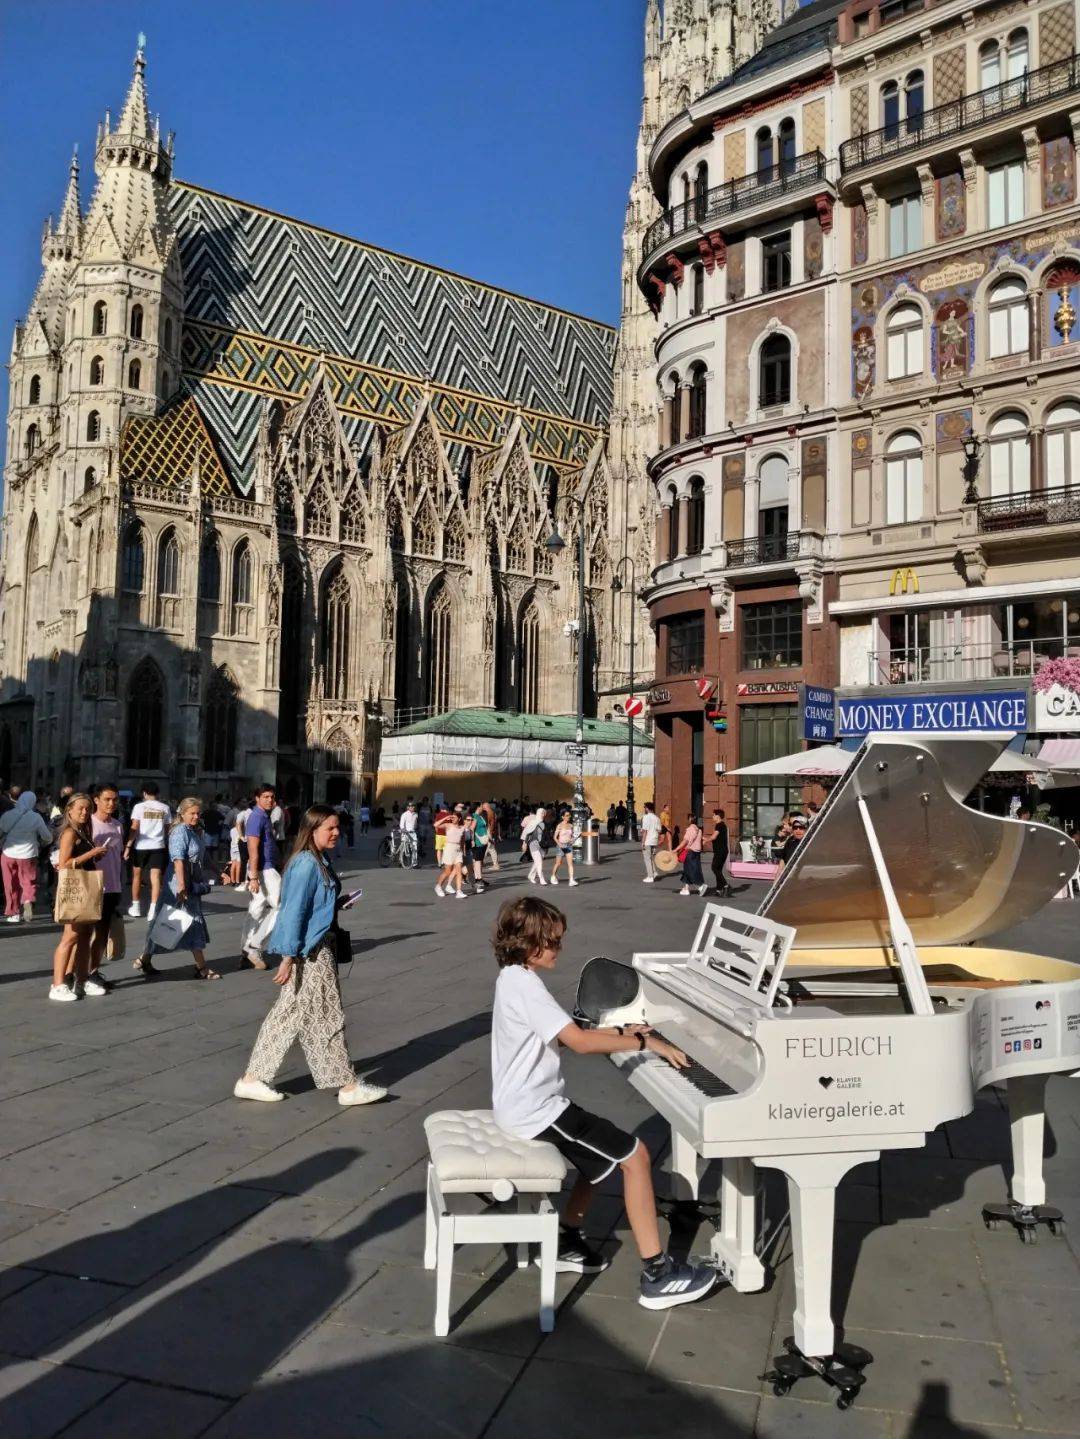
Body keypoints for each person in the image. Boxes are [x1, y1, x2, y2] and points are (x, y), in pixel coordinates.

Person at [490, 896, 716, 1304]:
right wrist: (645, 1040)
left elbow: (564, 1028)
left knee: (600, 1160)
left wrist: (624, 1030)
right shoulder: (525, 985)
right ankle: (657, 1274)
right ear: (528, 943)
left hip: (525, 1104)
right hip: (536, 1112)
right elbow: (576, 1042)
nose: (560, 948)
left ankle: (567, 1237)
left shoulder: (514, 977)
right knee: (635, 1156)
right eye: (553, 942)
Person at [234, 805, 388, 1106]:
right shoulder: (307, 863)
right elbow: (293, 912)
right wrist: (289, 957)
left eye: (337, 827)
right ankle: (348, 1085)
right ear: (312, 830)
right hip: (311, 951)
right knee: (327, 1016)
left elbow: (312, 905)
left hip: (316, 945)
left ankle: (252, 1079)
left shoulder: (319, 859)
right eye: (329, 828)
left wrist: (336, 903)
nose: (336, 833)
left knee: (288, 1015)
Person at [135, 798, 224, 980]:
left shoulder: (195, 832)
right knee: (189, 922)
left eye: (198, 813)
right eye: (192, 813)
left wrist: (219, 872)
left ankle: (145, 959)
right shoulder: (179, 832)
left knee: (167, 922)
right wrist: (182, 886)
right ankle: (202, 968)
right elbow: (178, 861)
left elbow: (204, 856)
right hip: (178, 886)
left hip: (188, 884)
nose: (195, 816)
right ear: (182, 814)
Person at [49, 793, 111, 1003]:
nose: (84, 812)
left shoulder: (83, 831)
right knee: (70, 937)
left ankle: (81, 980)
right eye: (80, 809)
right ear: (69, 810)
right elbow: (64, 864)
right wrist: (91, 854)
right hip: (75, 889)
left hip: (86, 888)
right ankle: (57, 985)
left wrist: (96, 854)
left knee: (85, 936)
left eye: (87, 809)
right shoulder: (69, 833)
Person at [87, 784, 125, 987]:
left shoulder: (118, 825)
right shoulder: (89, 824)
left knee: (102, 933)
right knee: (84, 934)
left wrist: (119, 886)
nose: (111, 803)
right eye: (107, 799)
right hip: (91, 885)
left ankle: (94, 971)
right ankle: (75, 974)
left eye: (114, 799)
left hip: (112, 886)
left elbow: (117, 858)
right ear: (96, 800)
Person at [242, 784, 281, 971]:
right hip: (264, 870)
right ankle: (254, 946)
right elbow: (253, 849)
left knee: (256, 909)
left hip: (265, 869)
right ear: (257, 798)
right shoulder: (257, 817)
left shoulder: (263, 816)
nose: (270, 800)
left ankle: (246, 948)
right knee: (283, 906)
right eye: (265, 796)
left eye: (272, 797)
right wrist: (254, 876)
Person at [1, 789, 52, 922]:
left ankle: (13, 913)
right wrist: (41, 843)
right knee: (28, 881)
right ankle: (28, 900)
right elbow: (47, 837)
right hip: (28, 854)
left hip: (8, 853)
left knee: (10, 883)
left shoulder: (8, 815)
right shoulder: (35, 817)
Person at [124, 782, 172, 921]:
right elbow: (168, 828)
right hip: (158, 845)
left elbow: (134, 827)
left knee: (137, 877)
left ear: (144, 793)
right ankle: (153, 909)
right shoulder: (165, 808)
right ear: (157, 794)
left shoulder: (139, 807)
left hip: (141, 846)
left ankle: (136, 906)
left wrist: (128, 846)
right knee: (156, 878)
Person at [435, 806, 466, 898]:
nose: (452, 819)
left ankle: (459, 891)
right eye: (452, 817)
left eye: (454, 817)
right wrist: (445, 818)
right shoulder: (448, 825)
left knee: (459, 870)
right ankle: (438, 886)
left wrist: (463, 850)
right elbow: (436, 825)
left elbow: (462, 840)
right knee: (448, 871)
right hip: (449, 848)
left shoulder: (461, 827)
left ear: (459, 818)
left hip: (458, 850)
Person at [678, 812, 707, 897]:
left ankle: (700, 886)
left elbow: (685, 841)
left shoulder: (690, 829)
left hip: (690, 852)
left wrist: (676, 849)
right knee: (688, 869)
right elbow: (701, 840)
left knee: (691, 870)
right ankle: (686, 889)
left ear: (690, 819)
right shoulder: (699, 830)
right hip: (697, 852)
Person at [706, 808, 731, 898]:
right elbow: (714, 837)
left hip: (720, 851)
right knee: (718, 870)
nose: (712, 816)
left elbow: (714, 837)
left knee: (714, 868)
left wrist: (706, 840)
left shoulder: (719, 825)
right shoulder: (722, 825)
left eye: (713, 815)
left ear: (718, 816)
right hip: (721, 851)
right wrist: (705, 839)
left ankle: (726, 885)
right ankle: (718, 890)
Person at [549, 810, 578, 886]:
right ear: (563, 817)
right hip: (560, 846)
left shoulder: (571, 825)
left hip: (568, 845)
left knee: (570, 864)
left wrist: (573, 840)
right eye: (567, 815)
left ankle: (571, 880)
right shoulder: (559, 825)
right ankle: (553, 876)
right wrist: (559, 844)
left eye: (569, 815)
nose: (569, 817)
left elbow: (571, 836)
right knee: (558, 863)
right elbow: (555, 837)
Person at [521, 805, 547, 886]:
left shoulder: (543, 823)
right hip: (533, 844)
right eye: (542, 813)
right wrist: (524, 844)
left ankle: (531, 875)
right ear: (539, 813)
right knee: (539, 862)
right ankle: (542, 879)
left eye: (544, 813)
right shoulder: (533, 822)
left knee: (538, 861)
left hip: (541, 845)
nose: (543, 814)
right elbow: (526, 833)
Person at [469, 804, 490, 892]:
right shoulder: (475, 817)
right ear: (477, 808)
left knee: (480, 860)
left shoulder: (480, 816)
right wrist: (472, 841)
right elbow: (471, 829)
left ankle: (480, 877)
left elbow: (485, 827)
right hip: (478, 842)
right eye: (481, 806)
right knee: (477, 861)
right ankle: (478, 879)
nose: (482, 807)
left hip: (483, 842)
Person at [640, 800, 662, 883]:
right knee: (651, 858)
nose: (644, 809)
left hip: (648, 840)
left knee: (647, 859)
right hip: (654, 840)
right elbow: (659, 831)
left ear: (647, 808)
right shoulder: (657, 818)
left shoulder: (646, 817)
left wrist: (642, 842)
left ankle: (650, 876)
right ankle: (654, 872)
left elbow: (645, 831)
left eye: (645, 807)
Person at [480, 798, 501, 872]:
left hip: (489, 832)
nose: (482, 808)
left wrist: (489, 833)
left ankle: (479, 865)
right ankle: (496, 865)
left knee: (485, 849)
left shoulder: (488, 813)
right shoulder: (493, 813)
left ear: (486, 807)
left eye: (483, 806)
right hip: (491, 832)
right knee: (491, 849)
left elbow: (489, 825)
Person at [398, 799, 420, 867]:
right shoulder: (404, 815)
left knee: (414, 847)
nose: (413, 807)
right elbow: (401, 825)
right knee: (403, 848)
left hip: (413, 833)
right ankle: (400, 861)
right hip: (405, 833)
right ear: (408, 807)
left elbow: (416, 823)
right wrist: (403, 830)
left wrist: (416, 828)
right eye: (411, 806)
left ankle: (414, 863)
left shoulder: (416, 814)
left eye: (413, 806)